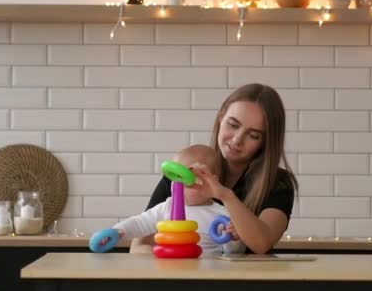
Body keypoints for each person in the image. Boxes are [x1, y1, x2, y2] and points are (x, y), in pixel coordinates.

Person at [133, 83, 298, 254]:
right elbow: (137, 246)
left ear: (266, 141)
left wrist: (225, 195)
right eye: (233, 125)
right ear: (221, 117)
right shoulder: (183, 171)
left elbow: (262, 243)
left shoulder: (278, 182)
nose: (236, 140)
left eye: (253, 135)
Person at [102, 144, 245, 256]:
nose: (177, 186)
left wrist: (234, 240)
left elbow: (231, 254)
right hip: (169, 272)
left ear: (212, 182)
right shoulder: (167, 206)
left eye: (187, 181)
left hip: (205, 275)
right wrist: (119, 231)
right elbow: (140, 223)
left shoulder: (222, 213)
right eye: (174, 179)